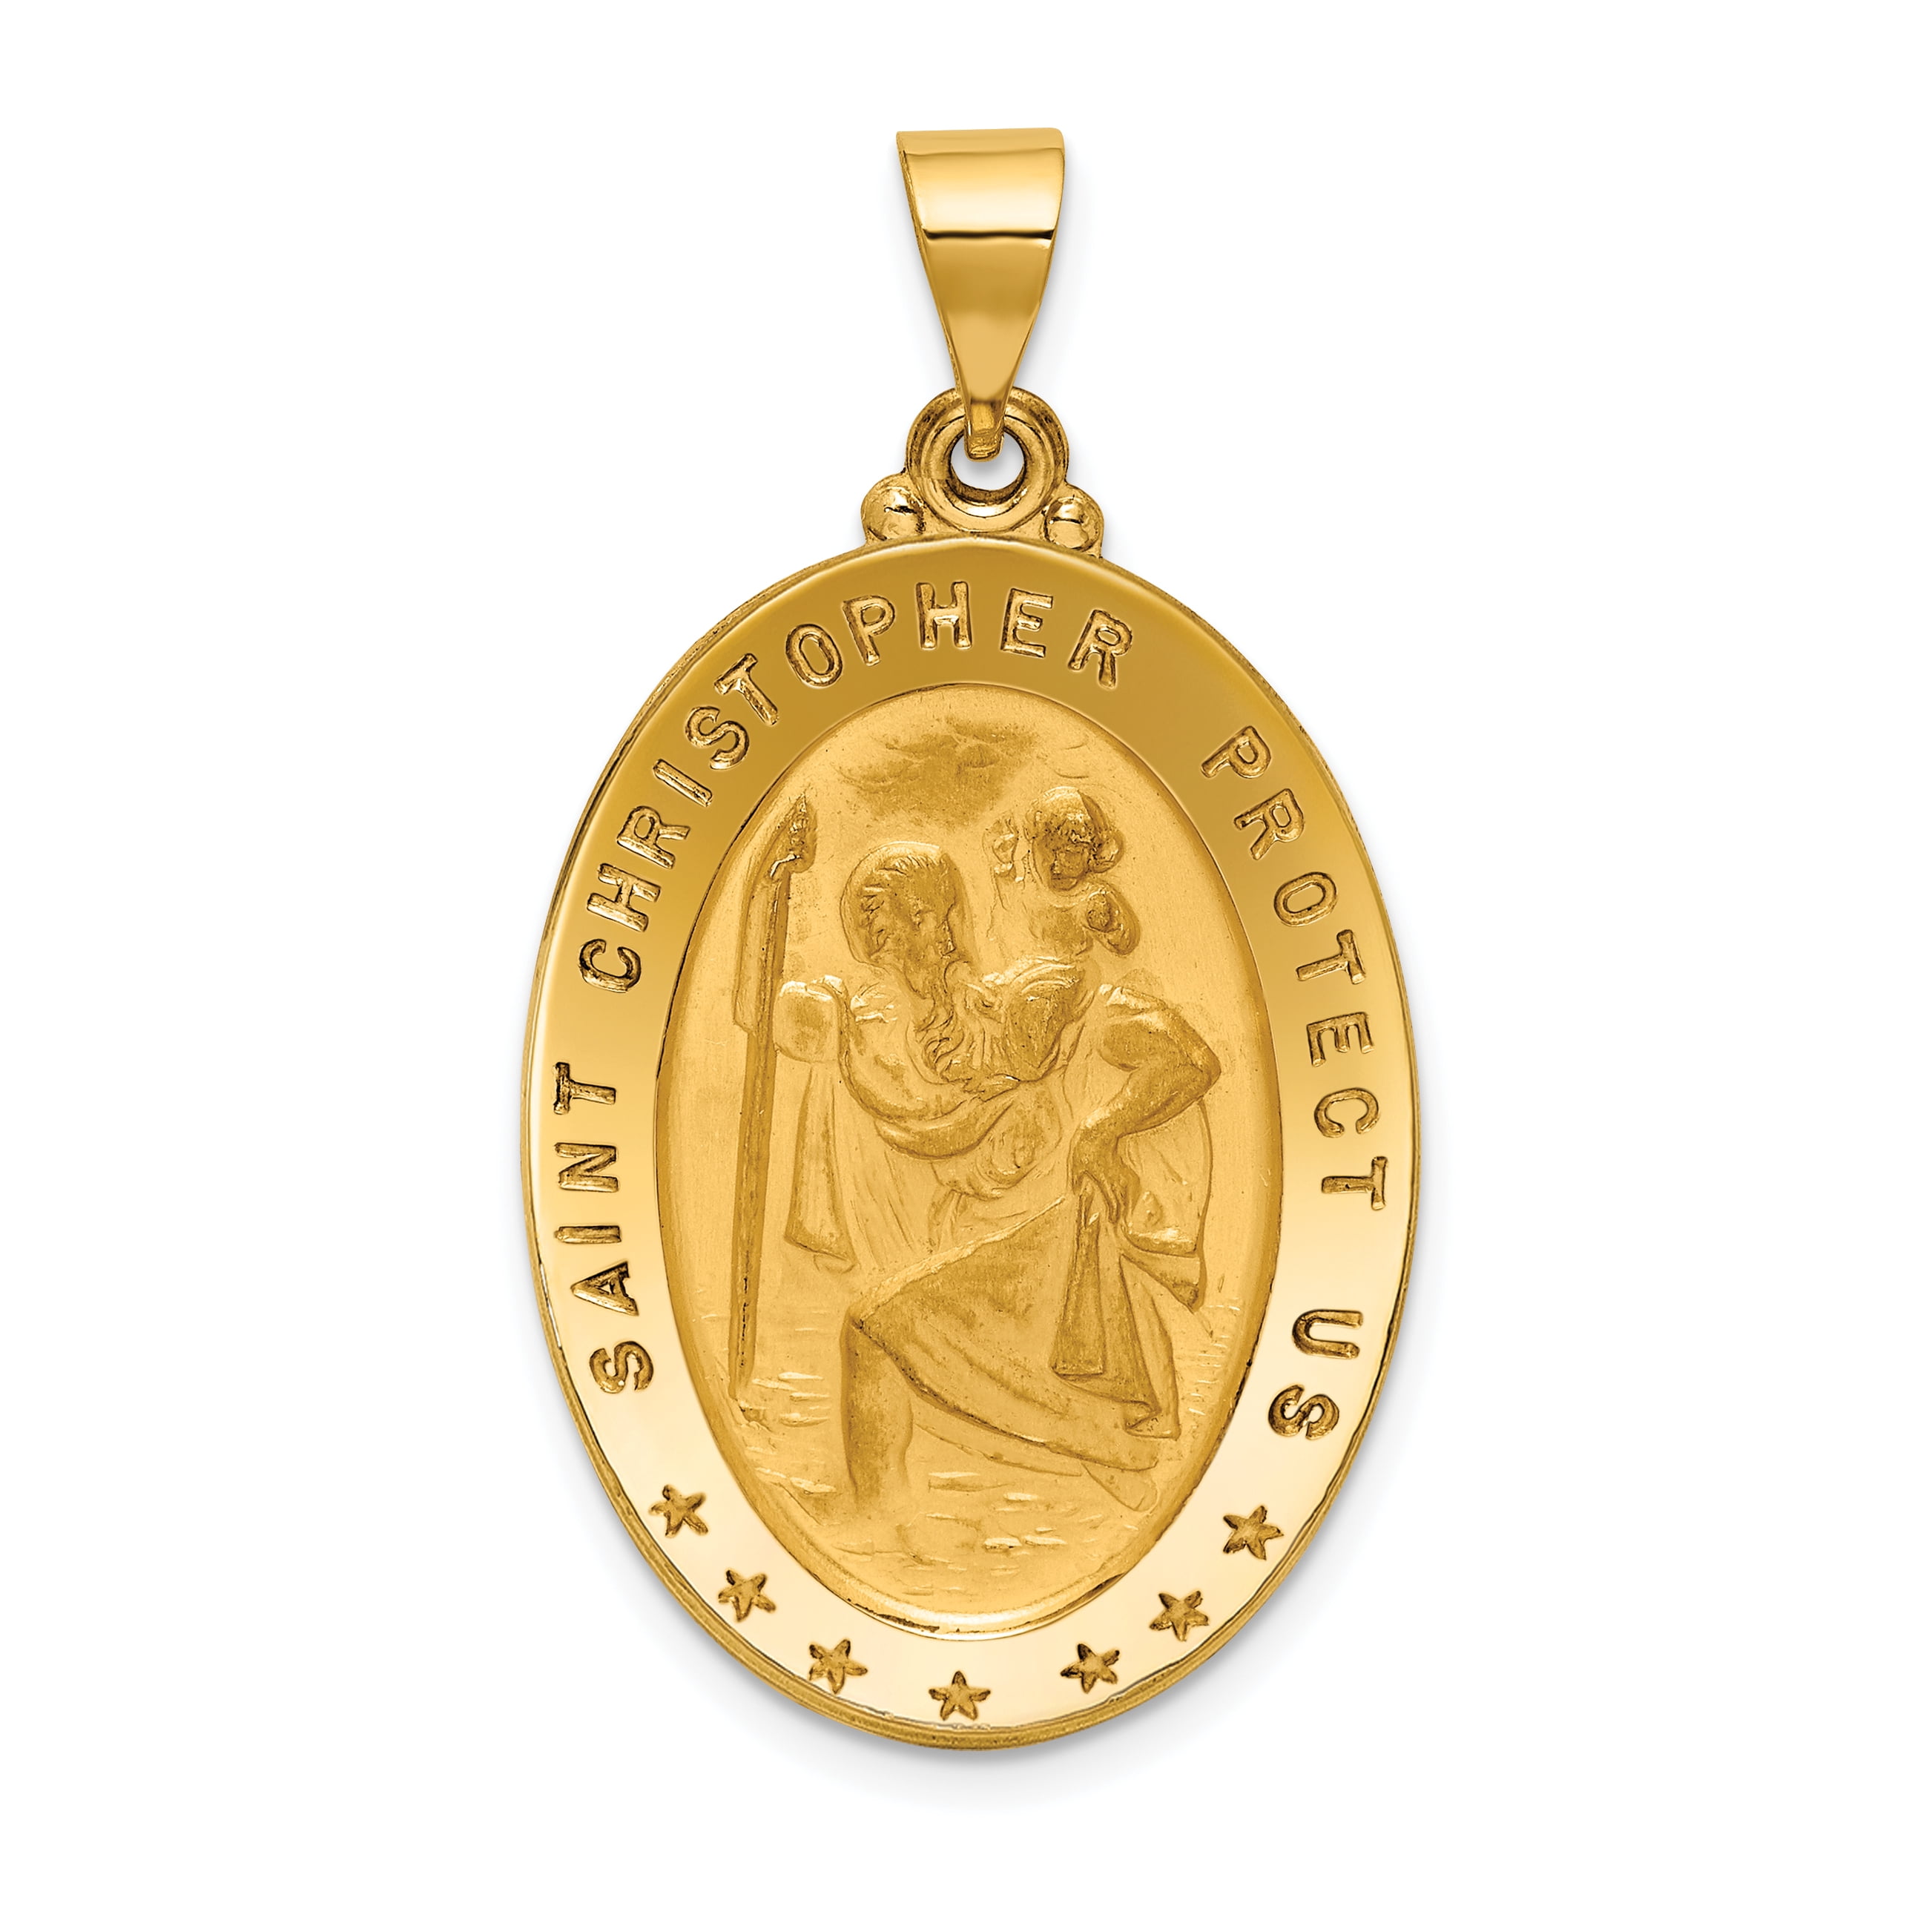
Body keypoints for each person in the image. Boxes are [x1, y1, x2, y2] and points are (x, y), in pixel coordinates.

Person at [771, 839, 1218, 1517]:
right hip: (1028, 1249)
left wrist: (1102, 1130)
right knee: (884, 1329)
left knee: (870, 1329)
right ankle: (1097, 1446)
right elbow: (922, 1114)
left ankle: (876, 1515)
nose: (941, 941)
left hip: (1059, 1250)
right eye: (907, 928)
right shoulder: (952, 1038)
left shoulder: (1075, 1008)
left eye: (932, 918)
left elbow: (1192, 1059)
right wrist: (835, 1034)